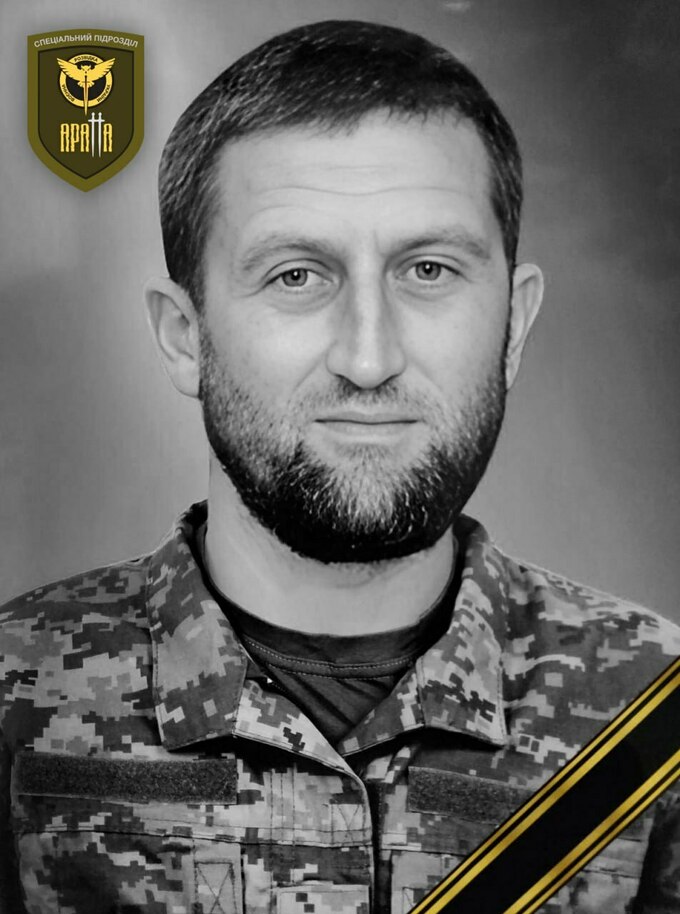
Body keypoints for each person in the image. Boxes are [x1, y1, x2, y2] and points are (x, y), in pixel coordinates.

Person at [1, 19, 678, 914]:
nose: (368, 357)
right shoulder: (17, 691)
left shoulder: (657, 712)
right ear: (184, 337)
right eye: (296, 276)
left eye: (428, 269)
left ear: (513, 325)